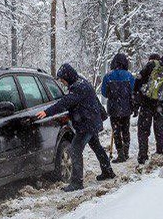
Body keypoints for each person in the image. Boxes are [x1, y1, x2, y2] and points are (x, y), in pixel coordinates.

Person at [37, 63, 114, 192]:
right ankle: (107, 171)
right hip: (91, 121)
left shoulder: (78, 88)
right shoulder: (82, 83)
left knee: (75, 149)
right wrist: (102, 114)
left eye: (62, 80)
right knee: (96, 146)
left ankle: (77, 182)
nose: (62, 82)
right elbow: (94, 99)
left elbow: (65, 102)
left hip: (86, 124)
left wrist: (47, 112)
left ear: (68, 76)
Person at [133, 46, 163, 164]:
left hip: (146, 103)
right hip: (162, 106)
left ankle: (142, 156)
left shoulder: (151, 65)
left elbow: (138, 82)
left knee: (143, 131)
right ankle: (160, 154)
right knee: (161, 132)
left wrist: (136, 102)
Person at [101, 53, 135, 163]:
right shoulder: (129, 76)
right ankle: (126, 152)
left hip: (113, 109)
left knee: (116, 131)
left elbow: (104, 93)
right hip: (126, 109)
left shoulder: (108, 77)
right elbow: (133, 92)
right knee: (126, 130)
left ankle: (120, 153)